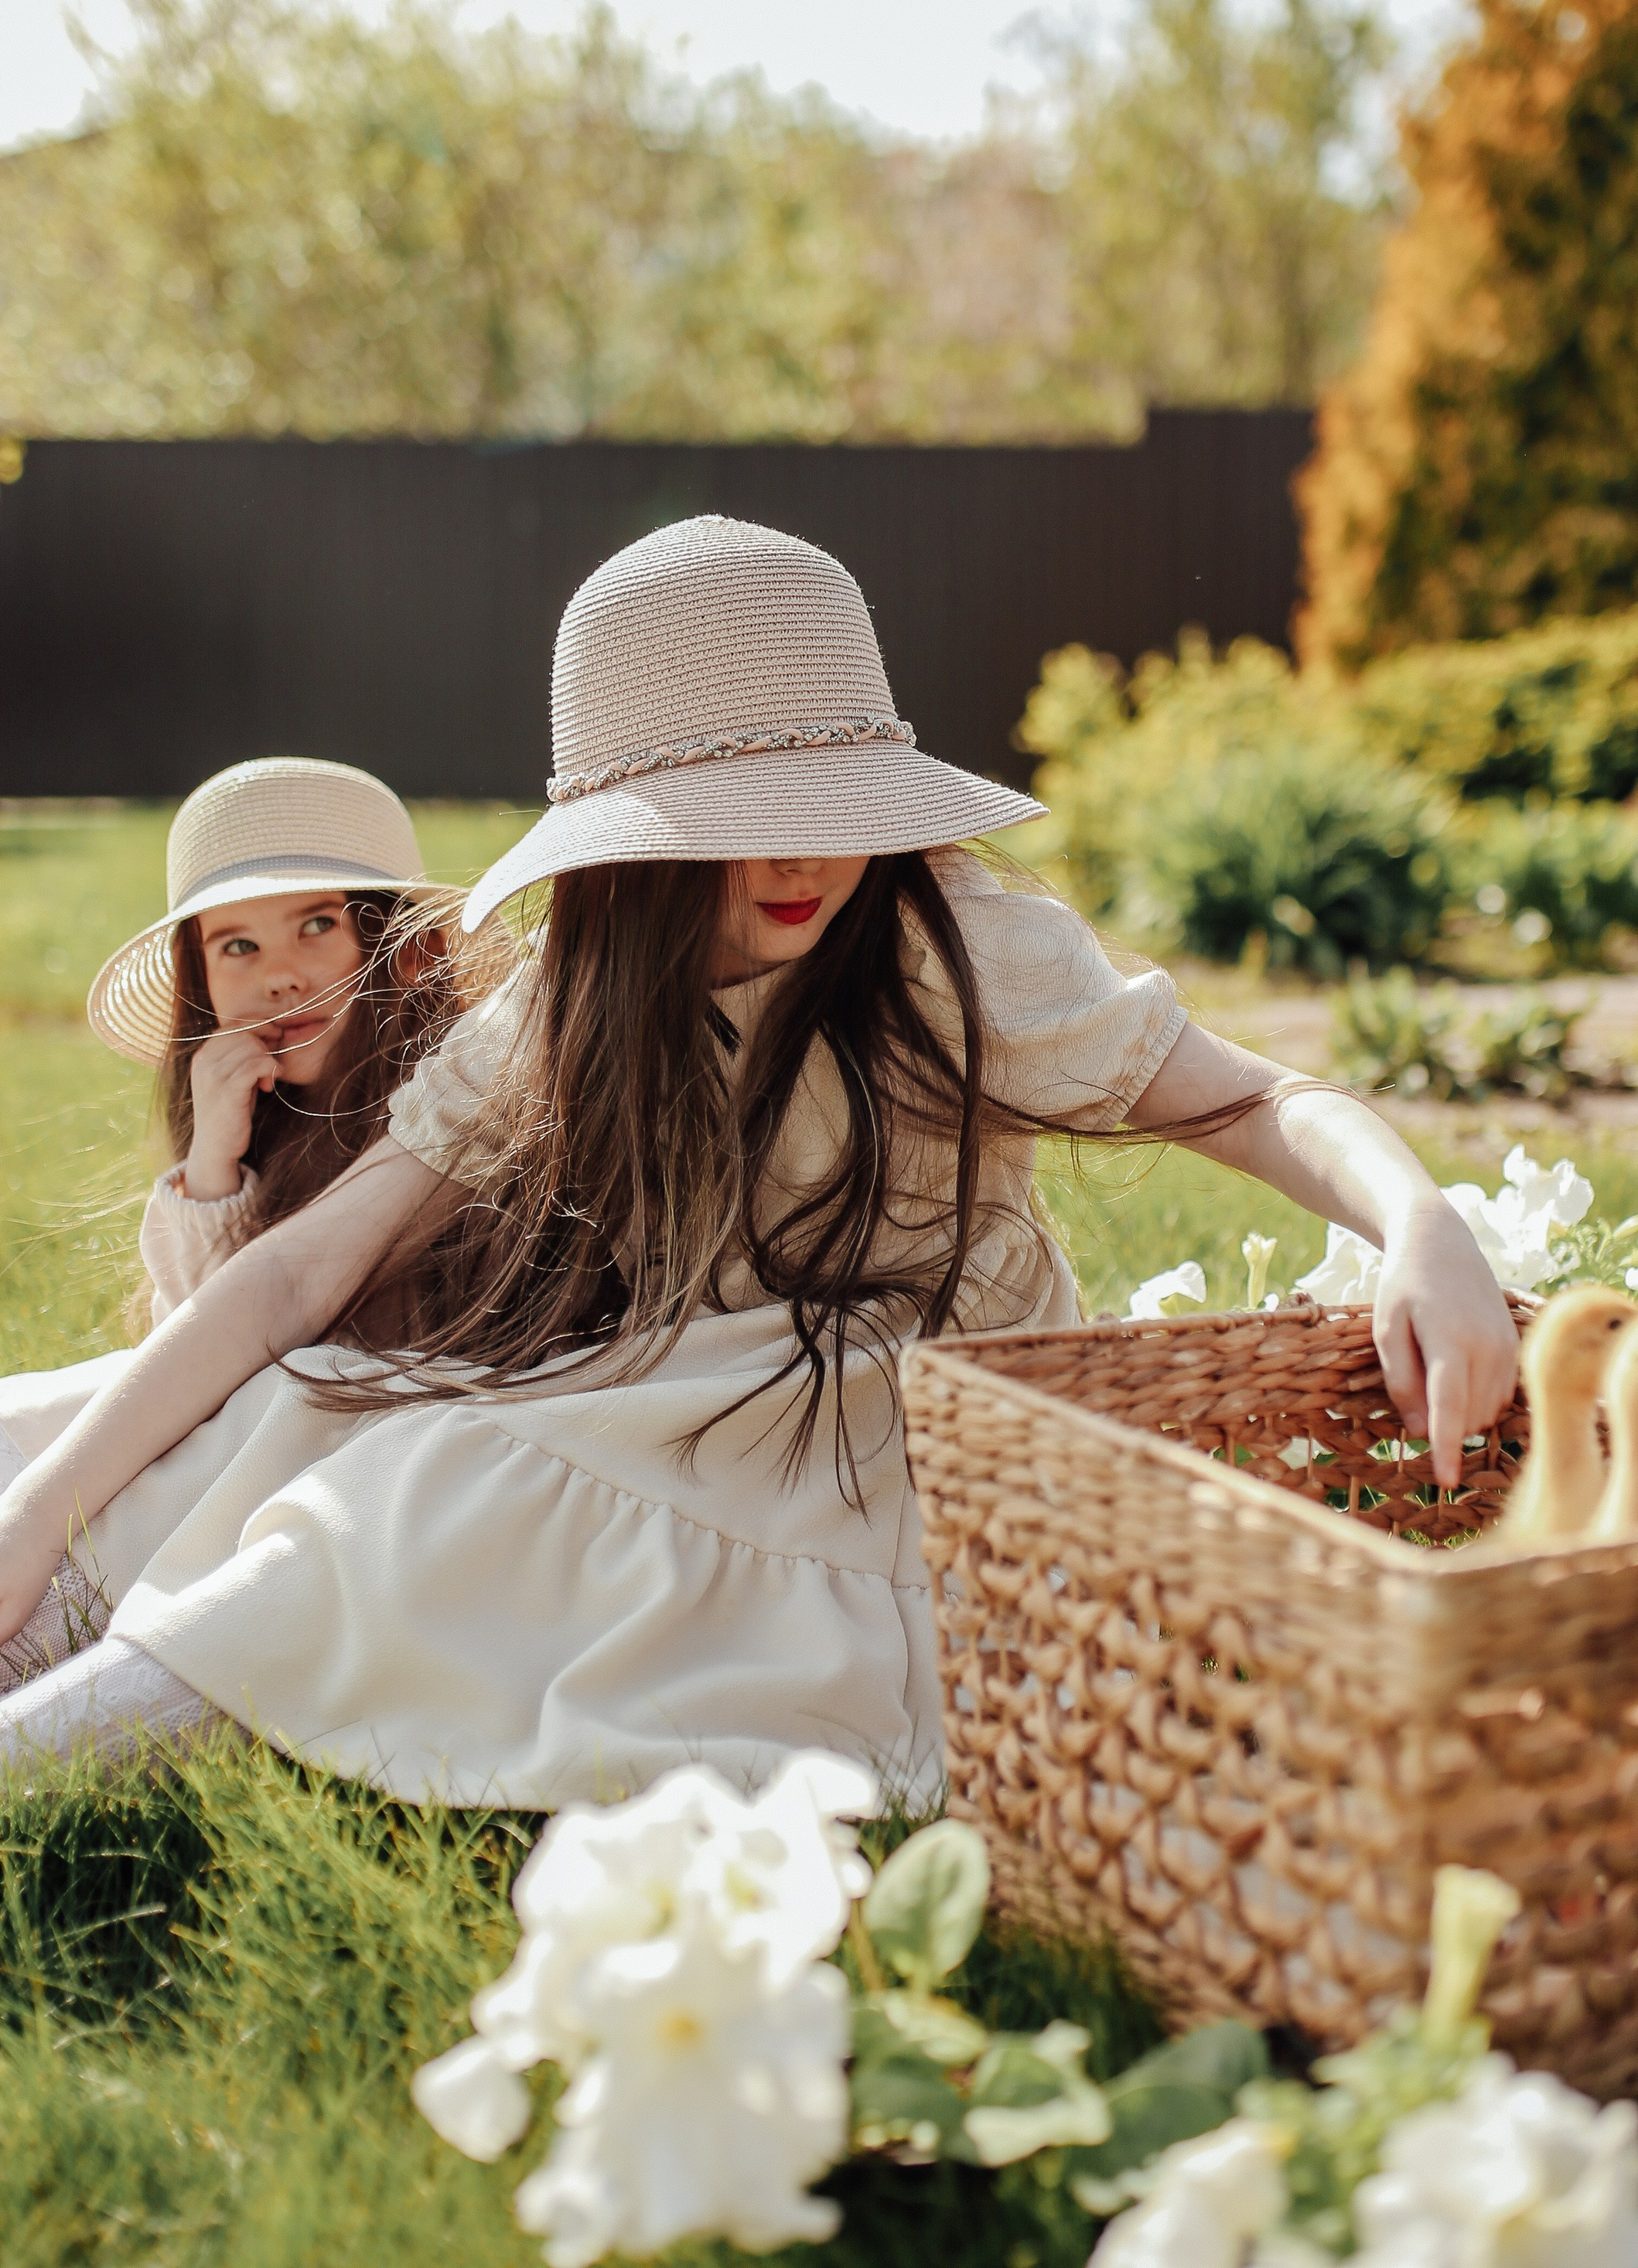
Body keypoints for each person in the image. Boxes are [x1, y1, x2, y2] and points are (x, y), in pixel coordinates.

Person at [0, 519, 1518, 1799]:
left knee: (416, 1494)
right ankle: (42, 1613)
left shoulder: (948, 945)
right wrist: (44, 1507)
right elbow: (297, 1277)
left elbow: (1249, 1102)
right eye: (742, 823)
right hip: (664, 1382)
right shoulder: (566, 1005)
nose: (799, 862)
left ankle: (56, 1748)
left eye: (829, 810)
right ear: (632, 855)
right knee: (211, 1419)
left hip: (888, 1426)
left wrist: (1417, 1221)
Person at [0, 756, 485, 1672]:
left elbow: (281, 1358)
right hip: (257, 1413)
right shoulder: (261, 1124)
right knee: (40, 1419)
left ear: (397, 943)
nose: (280, 977)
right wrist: (215, 1162)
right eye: (239, 947)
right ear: (203, 982)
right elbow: (191, 1348)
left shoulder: (454, 1099)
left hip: (374, 1436)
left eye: (316, 926)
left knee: (135, 1494)